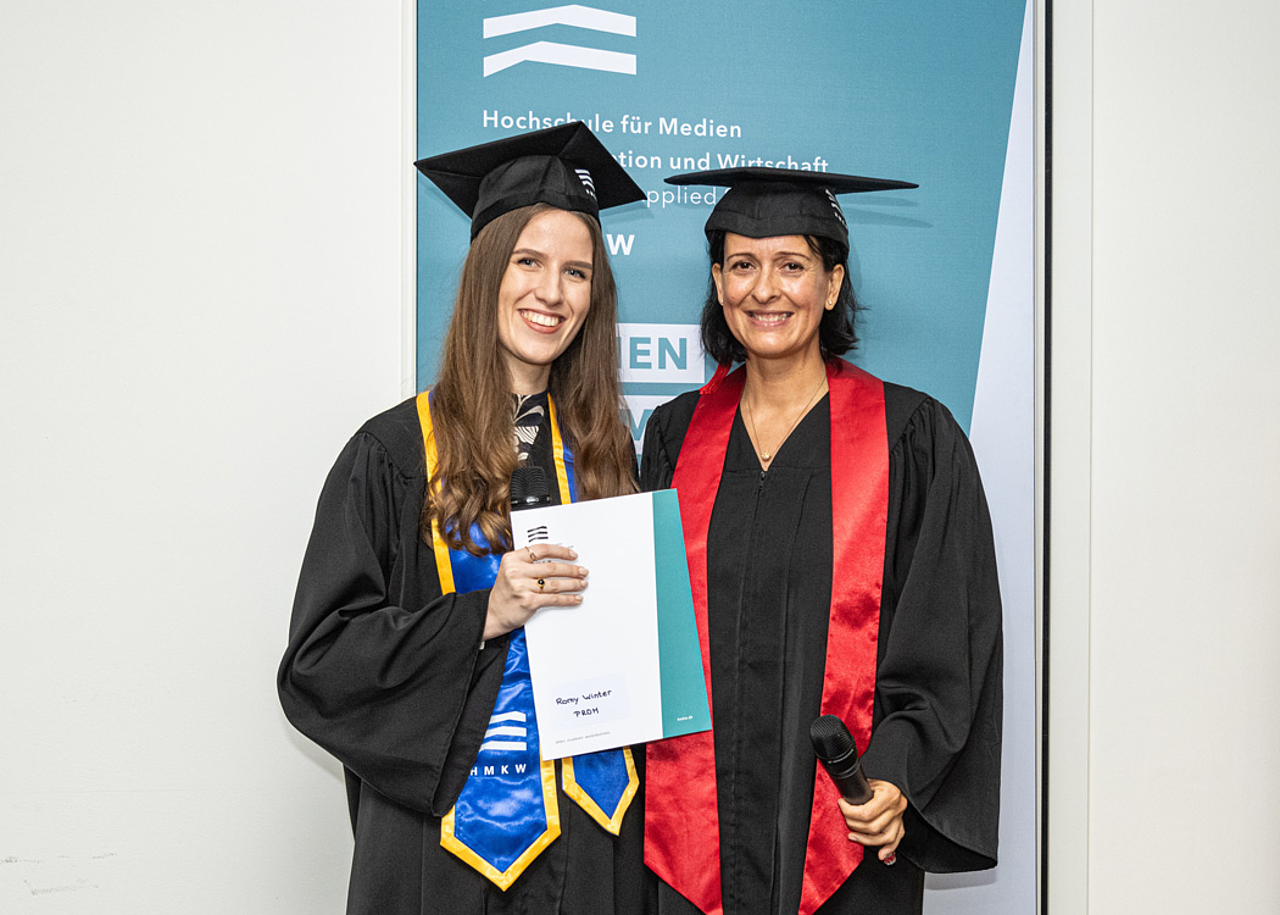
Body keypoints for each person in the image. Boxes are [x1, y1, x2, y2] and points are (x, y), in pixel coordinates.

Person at [278, 123, 647, 915]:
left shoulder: (609, 454)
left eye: (576, 272)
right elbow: (319, 665)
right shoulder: (394, 453)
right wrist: (483, 613)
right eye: (529, 261)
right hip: (446, 858)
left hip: (594, 852)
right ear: (486, 272)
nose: (552, 291)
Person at [640, 168, 1003, 915]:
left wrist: (897, 776)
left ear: (832, 283)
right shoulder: (673, 437)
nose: (764, 289)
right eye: (742, 264)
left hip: (846, 831)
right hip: (690, 847)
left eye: (792, 265)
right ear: (717, 280)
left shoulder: (912, 438)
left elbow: (948, 637)